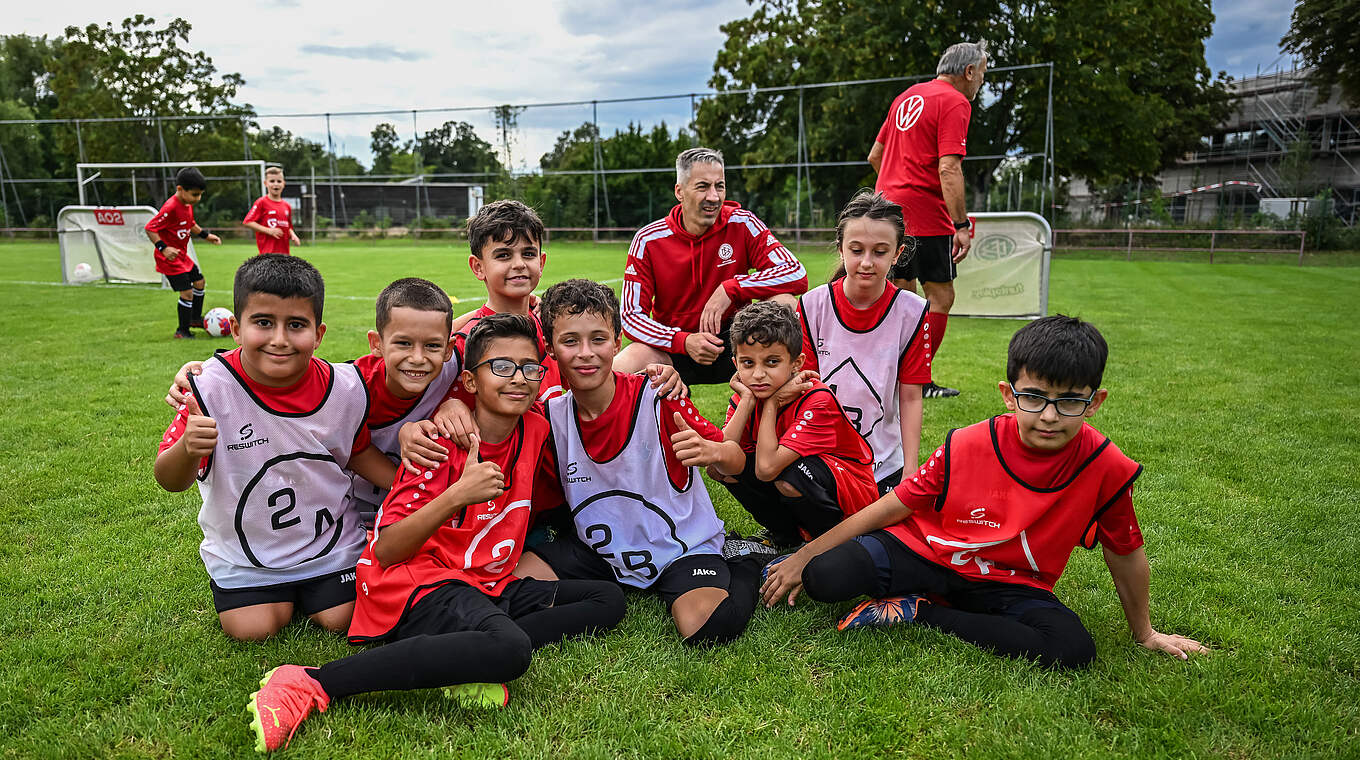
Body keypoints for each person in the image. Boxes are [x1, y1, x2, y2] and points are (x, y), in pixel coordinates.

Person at [245, 314, 625, 753]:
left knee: (606, 600)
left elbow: (597, 384)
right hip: (415, 580)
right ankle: (313, 682)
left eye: (529, 368)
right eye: (501, 368)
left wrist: (661, 373)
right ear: (469, 380)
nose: (518, 379)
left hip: (482, 583)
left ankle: (462, 652)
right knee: (511, 651)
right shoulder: (438, 444)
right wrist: (457, 494)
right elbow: (386, 550)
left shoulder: (536, 425)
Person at [760, 316, 1209, 669]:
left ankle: (920, 612)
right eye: (1034, 397)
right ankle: (914, 590)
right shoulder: (967, 443)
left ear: (1095, 402)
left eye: (1069, 401)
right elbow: (895, 504)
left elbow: (1125, 550)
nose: (1049, 416)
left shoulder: (1106, 466)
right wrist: (803, 556)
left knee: (1072, 649)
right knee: (826, 577)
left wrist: (1145, 633)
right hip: (927, 552)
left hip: (1007, 582)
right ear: (1008, 395)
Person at [457, 278, 774, 646]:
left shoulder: (659, 396)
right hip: (598, 549)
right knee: (507, 587)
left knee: (706, 627)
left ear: (617, 343)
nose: (585, 353)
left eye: (598, 339)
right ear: (551, 350)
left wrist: (715, 452)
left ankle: (745, 559)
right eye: (570, 341)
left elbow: (733, 462)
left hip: (680, 547)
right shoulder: (549, 418)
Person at [153, 254, 397, 641]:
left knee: (342, 619)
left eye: (296, 325)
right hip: (246, 555)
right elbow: (169, 479)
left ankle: (318, 585)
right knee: (253, 630)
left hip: (331, 545)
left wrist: (407, 485)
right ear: (235, 328)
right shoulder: (209, 389)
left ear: (319, 334)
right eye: (263, 323)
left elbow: (358, 451)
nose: (280, 339)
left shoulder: (345, 387)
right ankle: (270, 591)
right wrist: (187, 446)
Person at [164, 277, 468, 528]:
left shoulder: (455, 363)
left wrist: (454, 402)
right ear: (376, 344)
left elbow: (488, 324)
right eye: (403, 343)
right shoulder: (349, 388)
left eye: (431, 346)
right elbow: (285, 376)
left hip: (411, 500)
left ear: (446, 348)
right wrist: (212, 371)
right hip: (349, 513)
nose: (417, 357)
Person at [615, 147, 808, 385]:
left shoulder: (742, 223)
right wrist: (683, 341)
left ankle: (793, 411)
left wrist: (732, 287)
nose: (714, 196)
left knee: (785, 304)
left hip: (741, 343)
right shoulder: (648, 240)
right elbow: (631, 317)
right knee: (622, 366)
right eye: (703, 186)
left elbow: (795, 272)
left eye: (720, 186)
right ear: (680, 191)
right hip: (674, 347)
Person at [869, 40, 989, 398]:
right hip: (924, 215)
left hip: (885, 210)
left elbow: (876, 156)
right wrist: (961, 225)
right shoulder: (955, 101)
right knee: (940, 297)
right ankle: (916, 381)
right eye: (982, 74)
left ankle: (888, 377)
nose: (980, 81)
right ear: (968, 72)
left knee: (901, 295)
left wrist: (895, 189)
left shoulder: (906, 97)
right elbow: (949, 167)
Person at [711, 301, 879, 551]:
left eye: (771, 362)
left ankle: (832, 540)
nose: (758, 374)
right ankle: (787, 537)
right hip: (793, 477)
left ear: (796, 363)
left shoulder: (816, 398)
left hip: (852, 499)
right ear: (735, 363)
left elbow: (767, 469)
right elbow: (719, 460)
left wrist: (771, 404)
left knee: (790, 477)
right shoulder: (748, 394)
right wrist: (747, 401)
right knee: (724, 469)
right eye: (748, 363)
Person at [801, 192, 931, 493]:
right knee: (790, 486)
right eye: (856, 250)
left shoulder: (912, 311)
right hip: (820, 456)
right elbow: (803, 390)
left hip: (883, 464)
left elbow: (911, 397)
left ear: (898, 254)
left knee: (877, 530)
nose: (867, 262)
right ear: (841, 248)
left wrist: (910, 470)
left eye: (880, 252)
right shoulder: (811, 306)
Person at [448, 199, 564, 401]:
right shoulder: (463, 344)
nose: (519, 264)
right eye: (503, 255)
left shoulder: (549, 326)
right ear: (478, 267)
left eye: (528, 253)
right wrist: (449, 407)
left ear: (541, 262)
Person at [145, 166, 222, 339]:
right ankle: (182, 331)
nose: (198, 198)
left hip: (182, 256)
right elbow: (150, 228)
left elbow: (190, 223)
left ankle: (194, 319)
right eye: (195, 194)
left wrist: (206, 236)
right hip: (169, 259)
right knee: (186, 292)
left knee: (199, 282)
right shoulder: (171, 207)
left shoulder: (187, 204)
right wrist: (163, 248)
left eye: (200, 194)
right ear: (180, 189)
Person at [242, 166, 301, 255]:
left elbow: (288, 227)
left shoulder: (287, 206)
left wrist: (293, 235)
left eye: (279, 181)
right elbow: (248, 222)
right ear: (265, 183)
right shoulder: (261, 202)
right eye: (272, 181)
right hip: (267, 255)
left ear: (284, 184)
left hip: (284, 256)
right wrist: (269, 231)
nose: (276, 184)